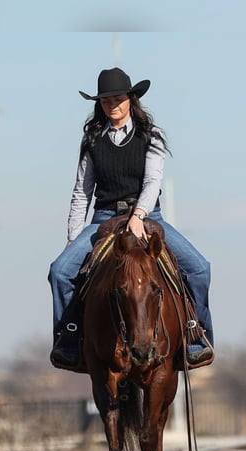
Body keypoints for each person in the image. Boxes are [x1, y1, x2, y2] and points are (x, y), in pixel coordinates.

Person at [48, 67, 214, 371]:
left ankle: (196, 335)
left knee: (200, 268)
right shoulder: (92, 140)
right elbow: (81, 193)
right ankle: (69, 338)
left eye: (118, 98)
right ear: (99, 104)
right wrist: (73, 239)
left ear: (131, 99)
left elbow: (153, 182)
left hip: (149, 217)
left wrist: (138, 214)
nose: (113, 104)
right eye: (106, 100)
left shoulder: (151, 136)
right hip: (103, 219)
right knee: (59, 271)